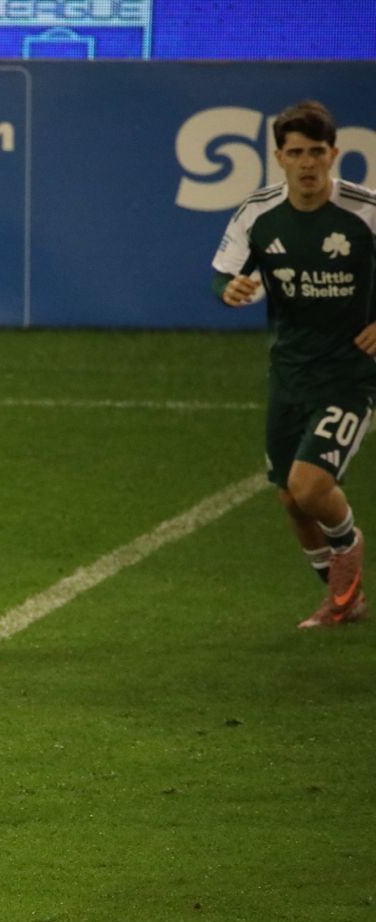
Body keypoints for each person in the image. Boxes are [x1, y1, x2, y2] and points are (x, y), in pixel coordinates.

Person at [212, 99, 376, 628]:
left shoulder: (366, 212)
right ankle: (343, 597)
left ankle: (348, 549)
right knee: (290, 498)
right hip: (289, 372)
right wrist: (229, 289)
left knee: (310, 487)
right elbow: (223, 274)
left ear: (334, 154)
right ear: (279, 157)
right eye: (296, 152)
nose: (307, 163)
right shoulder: (258, 213)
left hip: (351, 374)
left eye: (317, 152)